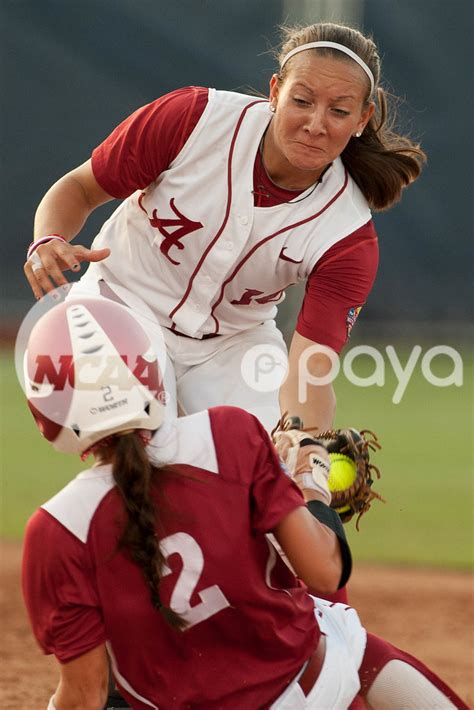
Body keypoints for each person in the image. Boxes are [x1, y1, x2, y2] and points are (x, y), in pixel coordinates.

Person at [21, 297, 467, 710]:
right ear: (150, 373)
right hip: (316, 690)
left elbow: (85, 694)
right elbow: (325, 573)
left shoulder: (56, 530)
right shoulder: (225, 434)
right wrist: (312, 483)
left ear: (47, 411)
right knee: (353, 645)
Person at [23, 21, 426, 437]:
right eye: (302, 101)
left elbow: (311, 373)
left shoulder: (347, 234)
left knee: (273, 462)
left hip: (233, 343)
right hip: (120, 303)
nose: (316, 123)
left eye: (339, 111)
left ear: (363, 117)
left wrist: (308, 459)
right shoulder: (194, 120)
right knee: (135, 439)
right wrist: (49, 238)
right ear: (274, 92)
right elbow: (80, 187)